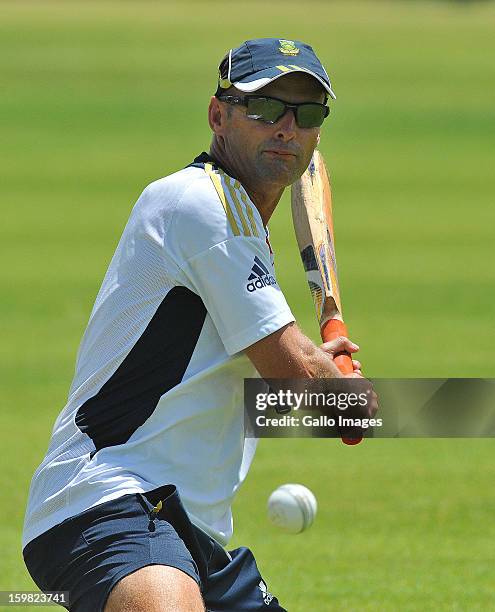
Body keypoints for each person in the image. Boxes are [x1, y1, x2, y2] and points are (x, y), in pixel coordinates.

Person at [23, 38, 372, 611]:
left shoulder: (236, 226)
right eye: (265, 108)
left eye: (306, 115)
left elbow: (256, 396)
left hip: (190, 535)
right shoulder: (202, 205)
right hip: (108, 503)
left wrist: (337, 386)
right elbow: (296, 382)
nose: (287, 128)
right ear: (218, 115)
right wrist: (336, 384)